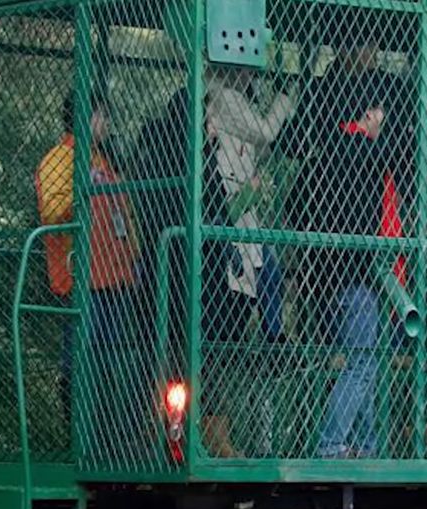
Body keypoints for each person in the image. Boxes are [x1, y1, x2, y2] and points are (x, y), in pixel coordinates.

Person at [132, 87, 244, 458]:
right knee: (200, 360)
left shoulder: (156, 152)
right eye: (208, 120)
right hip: (191, 280)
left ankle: (172, 435)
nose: (213, 127)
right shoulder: (189, 158)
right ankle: (195, 439)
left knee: (170, 359)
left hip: (163, 277)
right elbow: (214, 213)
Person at [34, 93, 140, 461]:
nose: (108, 123)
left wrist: (134, 256)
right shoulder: (60, 159)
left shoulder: (104, 160)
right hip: (82, 276)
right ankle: (79, 439)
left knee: (108, 357)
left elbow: (124, 213)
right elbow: (51, 211)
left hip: (115, 275)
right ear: (85, 116)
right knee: (79, 356)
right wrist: (81, 189)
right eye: (103, 115)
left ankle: (104, 439)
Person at [303, 75, 402, 459]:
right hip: (355, 277)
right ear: (369, 114)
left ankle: (366, 445)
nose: (384, 120)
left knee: (367, 364)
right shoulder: (358, 150)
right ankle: (331, 443)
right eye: (381, 113)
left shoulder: (329, 151)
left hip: (332, 277)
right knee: (362, 363)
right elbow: (397, 153)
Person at [206, 66, 297, 342]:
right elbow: (265, 132)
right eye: (246, 70)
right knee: (248, 278)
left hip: (242, 213)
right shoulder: (225, 98)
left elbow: (264, 146)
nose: (250, 76)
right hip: (228, 209)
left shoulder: (237, 100)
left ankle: (273, 334)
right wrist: (284, 96)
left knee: (266, 272)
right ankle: (266, 337)